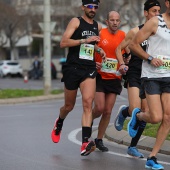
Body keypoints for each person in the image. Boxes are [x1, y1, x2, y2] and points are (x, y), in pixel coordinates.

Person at [51, 0, 106, 156]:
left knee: (88, 103)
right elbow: (63, 42)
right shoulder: (76, 21)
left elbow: (90, 45)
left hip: (89, 68)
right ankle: (59, 122)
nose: (93, 9)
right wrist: (84, 40)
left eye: (95, 7)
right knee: (69, 106)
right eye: (90, 6)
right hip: (72, 68)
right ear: (83, 7)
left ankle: (85, 142)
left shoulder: (98, 26)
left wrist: (98, 49)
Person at [114, 0, 161, 158]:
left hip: (150, 75)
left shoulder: (161, 33)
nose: (157, 14)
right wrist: (122, 64)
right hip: (134, 73)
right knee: (136, 109)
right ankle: (124, 112)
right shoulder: (136, 31)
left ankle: (132, 146)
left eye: (158, 11)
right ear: (146, 13)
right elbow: (118, 48)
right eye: (153, 11)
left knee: (145, 113)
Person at [128, 0, 170, 169]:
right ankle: (138, 115)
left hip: (168, 76)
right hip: (152, 76)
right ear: (167, 3)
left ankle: (152, 157)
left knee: (168, 118)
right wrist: (150, 58)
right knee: (156, 117)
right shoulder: (155, 22)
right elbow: (133, 45)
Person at [92, 11, 129, 152]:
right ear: (107, 22)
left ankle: (99, 139)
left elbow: (126, 54)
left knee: (107, 111)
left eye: (117, 20)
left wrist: (126, 61)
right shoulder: (101, 34)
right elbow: (89, 49)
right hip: (100, 75)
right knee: (99, 108)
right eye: (112, 20)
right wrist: (93, 63)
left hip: (115, 77)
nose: (114, 22)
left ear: (119, 22)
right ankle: (88, 122)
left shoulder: (123, 36)